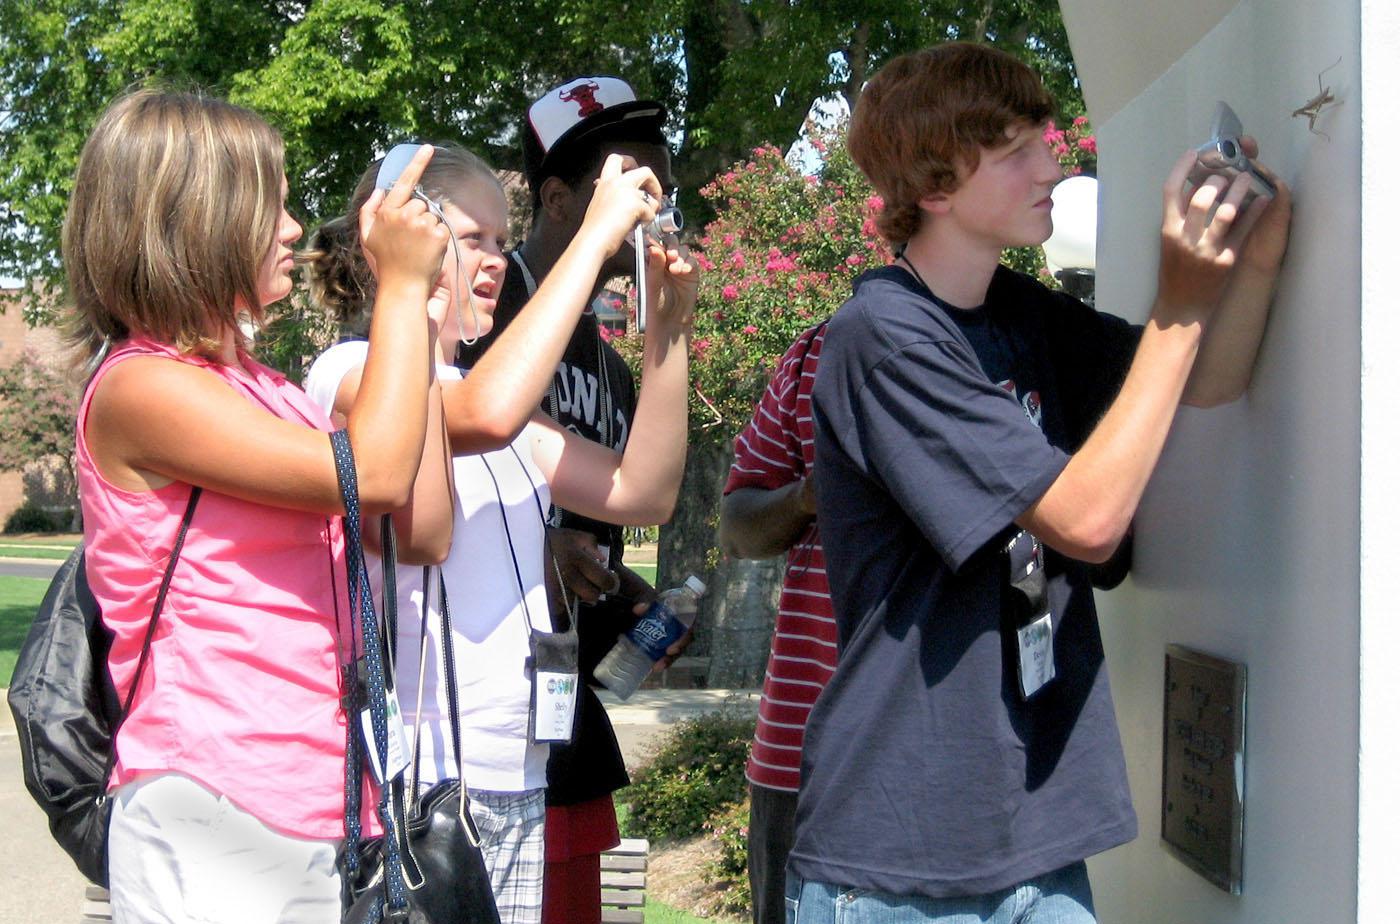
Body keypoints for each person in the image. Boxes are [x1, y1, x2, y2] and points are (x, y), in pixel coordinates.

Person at [789, 42, 1292, 923]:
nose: (1054, 160)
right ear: (935, 186)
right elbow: (1088, 522)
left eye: (1045, 137)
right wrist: (1180, 301)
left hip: (1039, 835)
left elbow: (1205, 382)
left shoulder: (1023, 314)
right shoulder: (883, 335)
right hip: (901, 867)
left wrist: (1252, 259)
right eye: (1017, 146)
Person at [65, 89, 449, 923]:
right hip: (217, 802)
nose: (290, 227)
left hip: (320, 796)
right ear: (193, 221)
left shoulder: (262, 389)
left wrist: (415, 309)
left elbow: (421, 521)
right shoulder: (141, 388)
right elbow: (373, 477)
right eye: (267, 203)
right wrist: (401, 288)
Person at [304, 141, 696, 924]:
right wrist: (593, 239)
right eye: (475, 238)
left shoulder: (491, 398)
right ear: (405, 238)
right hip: (419, 776)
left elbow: (641, 491)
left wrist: (669, 333)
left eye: (499, 238)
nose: (495, 259)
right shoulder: (350, 371)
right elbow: (482, 417)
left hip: (517, 771)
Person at [455, 76, 686, 924]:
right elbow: (430, 471)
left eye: (660, 194)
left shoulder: (610, 363)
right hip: (471, 725)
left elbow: (620, 507)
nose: (652, 217)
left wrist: (629, 598)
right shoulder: (475, 312)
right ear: (558, 198)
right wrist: (538, 546)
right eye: (633, 193)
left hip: (561, 717)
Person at [717, 320, 836, 924]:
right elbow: (736, 524)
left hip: (966, 760)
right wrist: (808, 495)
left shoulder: (1026, 338)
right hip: (801, 758)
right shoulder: (818, 350)